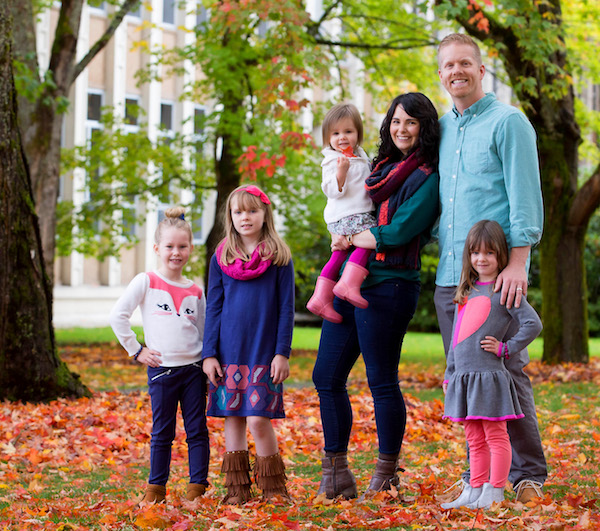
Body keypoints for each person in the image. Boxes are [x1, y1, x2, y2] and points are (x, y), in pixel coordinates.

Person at [434, 32, 547, 504]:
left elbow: (526, 197)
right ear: (440, 75)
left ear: (482, 69)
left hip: (497, 278)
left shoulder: (509, 122)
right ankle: (478, 477)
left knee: (507, 371)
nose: (456, 71)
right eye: (448, 66)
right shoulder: (440, 128)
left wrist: (518, 262)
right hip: (451, 279)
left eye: (465, 63)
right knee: (466, 373)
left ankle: (527, 475)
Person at [312, 93, 440, 499]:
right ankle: (336, 473)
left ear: (424, 128)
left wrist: (348, 237)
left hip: (391, 282)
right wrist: (340, 232)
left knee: (380, 380)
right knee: (326, 376)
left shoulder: (427, 174)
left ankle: (385, 475)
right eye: (397, 121)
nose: (402, 129)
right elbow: (344, 203)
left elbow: (400, 230)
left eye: (411, 123)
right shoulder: (378, 167)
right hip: (353, 277)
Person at [109, 207, 209, 505]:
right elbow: (118, 317)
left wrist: (207, 362)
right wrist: (136, 350)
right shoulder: (147, 281)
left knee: (197, 430)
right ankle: (155, 490)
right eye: (169, 246)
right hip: (162, 372)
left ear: (191, 248)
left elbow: (204, 332)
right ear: (156, 248)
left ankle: (197, 488)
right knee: (163, 432)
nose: (175, 252)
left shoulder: (196, 290)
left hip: (194, 371)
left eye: (182, 246)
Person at [202, 185, 295, 504]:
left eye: (252, 210)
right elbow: (213, 305)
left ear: (265, 213)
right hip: (229, 350)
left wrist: (282, 352)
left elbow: (286, 308)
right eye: (238, 211)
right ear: (230, 216)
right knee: (234, 417)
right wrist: (208, 354)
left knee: (257, 417)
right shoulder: (221, 255)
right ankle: (237, 490)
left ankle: (273, 488)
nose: (245, 217)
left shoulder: (279, 255)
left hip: (264, 351)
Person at [441, 220, 543, 510]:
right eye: (475, 253)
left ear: (501, 255)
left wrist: (506, 348)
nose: (481, 259)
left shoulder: (503, 291)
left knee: (495, 435)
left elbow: (533, 324)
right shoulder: (467, 291)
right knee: (473, 436)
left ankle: (494, 491)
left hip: (490, 378)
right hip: (464, 377)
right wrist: (451, 373)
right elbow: (457, 340)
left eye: (489, 253)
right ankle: (475, 489)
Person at [306, 102, 377, 323]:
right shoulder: (332, 160)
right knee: (369, 240)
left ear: (358, 134)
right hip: (349, 214)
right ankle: (348, 284)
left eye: (348, 132)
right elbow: (330, 190)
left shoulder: (361, 155)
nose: (342, 138)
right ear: (328, 138)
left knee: (339, 255)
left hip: (351, 214)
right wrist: (341, 173)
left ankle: (321, 297)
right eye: (335, 133)